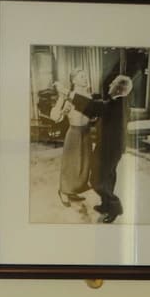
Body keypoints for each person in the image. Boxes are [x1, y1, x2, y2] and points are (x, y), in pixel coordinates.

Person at [48, 68, 99, 206]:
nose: (85, 78)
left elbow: (92, 114)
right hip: (74, 133)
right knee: (70, 165)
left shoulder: (88, 96)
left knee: (83, 164)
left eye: (86, 76)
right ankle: (63, 192)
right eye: (82, 76)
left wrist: (92, 117)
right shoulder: (69, 97)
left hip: (86, 132)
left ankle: (73, 190)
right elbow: (55, 117)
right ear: (74, 80)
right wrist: (61, 101)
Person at [92, 74, 134, 223]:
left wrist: (70, 94)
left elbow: (96, 107)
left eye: (112, 84)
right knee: (107, 177)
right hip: (109, 146)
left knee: (97, 180)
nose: (109, 85)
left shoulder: (117, 105)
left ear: (118, 89)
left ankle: (115, 207)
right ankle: (106, 205)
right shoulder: (118, 102)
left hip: (110, 148)